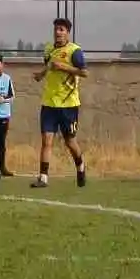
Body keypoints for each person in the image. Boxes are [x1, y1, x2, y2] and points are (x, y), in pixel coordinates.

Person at [32, 17, 87, 188]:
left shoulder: (74, 51)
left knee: (70, 141)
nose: (58, 32)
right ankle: (43, 177)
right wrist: (40, 75)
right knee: (46, 141)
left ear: (68, 33)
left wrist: (64, 67)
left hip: (68, 104)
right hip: (49, 103)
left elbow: (84, 73)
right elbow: (49, 67)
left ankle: (80, 166)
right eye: (56, 29)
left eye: (62, 29)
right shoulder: (48, 49)